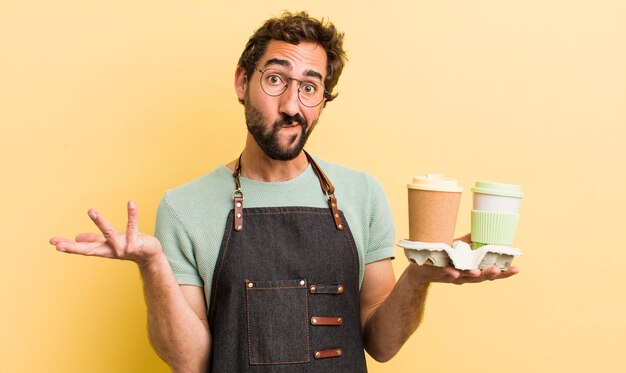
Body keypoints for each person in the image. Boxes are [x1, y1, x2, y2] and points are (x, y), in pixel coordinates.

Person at [49, 11, 518, 372]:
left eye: (310, 88)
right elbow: (189, 362)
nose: (292, 105)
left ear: (322, 102)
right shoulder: (183, 207)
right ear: (242, 82)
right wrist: (152, 266)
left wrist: (420, 275)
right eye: (275, 80)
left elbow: (381, 344)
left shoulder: (362, 194)